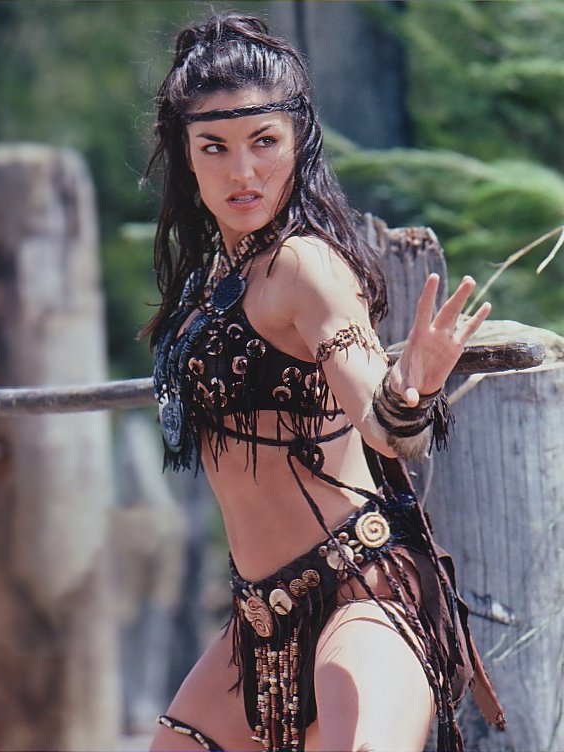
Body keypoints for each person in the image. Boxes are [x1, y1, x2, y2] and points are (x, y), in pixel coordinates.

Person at [143, 12, 505, 752]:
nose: (242, 172)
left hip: (359, 591)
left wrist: (410, 392)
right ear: (185, 156)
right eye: (215, 148)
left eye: (264, 142)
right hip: (260, 620)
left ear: (298, 141)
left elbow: (379, 417)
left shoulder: (304, 266)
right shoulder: (210, 282)